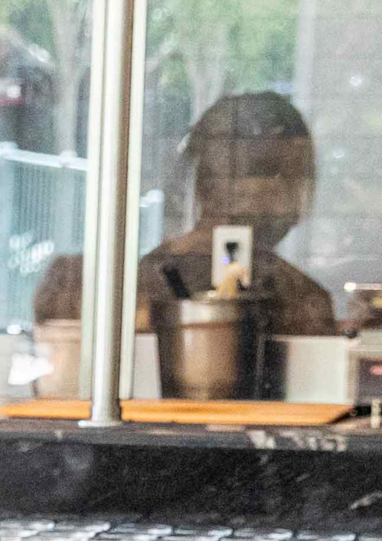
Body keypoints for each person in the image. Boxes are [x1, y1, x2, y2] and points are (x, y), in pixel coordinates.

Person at [137, 90, 340, 352]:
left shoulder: (302, 296)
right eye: (277, 174)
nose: (292, 197)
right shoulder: (303, 299)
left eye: (298, 177)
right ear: (210, 182)